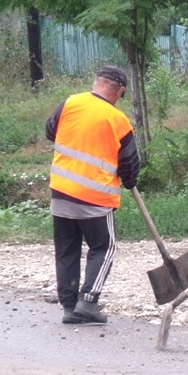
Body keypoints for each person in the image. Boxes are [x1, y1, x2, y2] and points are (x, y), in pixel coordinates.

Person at [45, 65, 140, 325]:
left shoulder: (70, 103)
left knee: (66, 248)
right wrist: (129, 179)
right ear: (119, 91)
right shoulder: (117, 119)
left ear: (96, 82)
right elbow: (129, 162)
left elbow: (50, 131)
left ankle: (69, 306)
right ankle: (87, 302)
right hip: (95, 197)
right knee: (103, 247)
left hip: (61, 191)